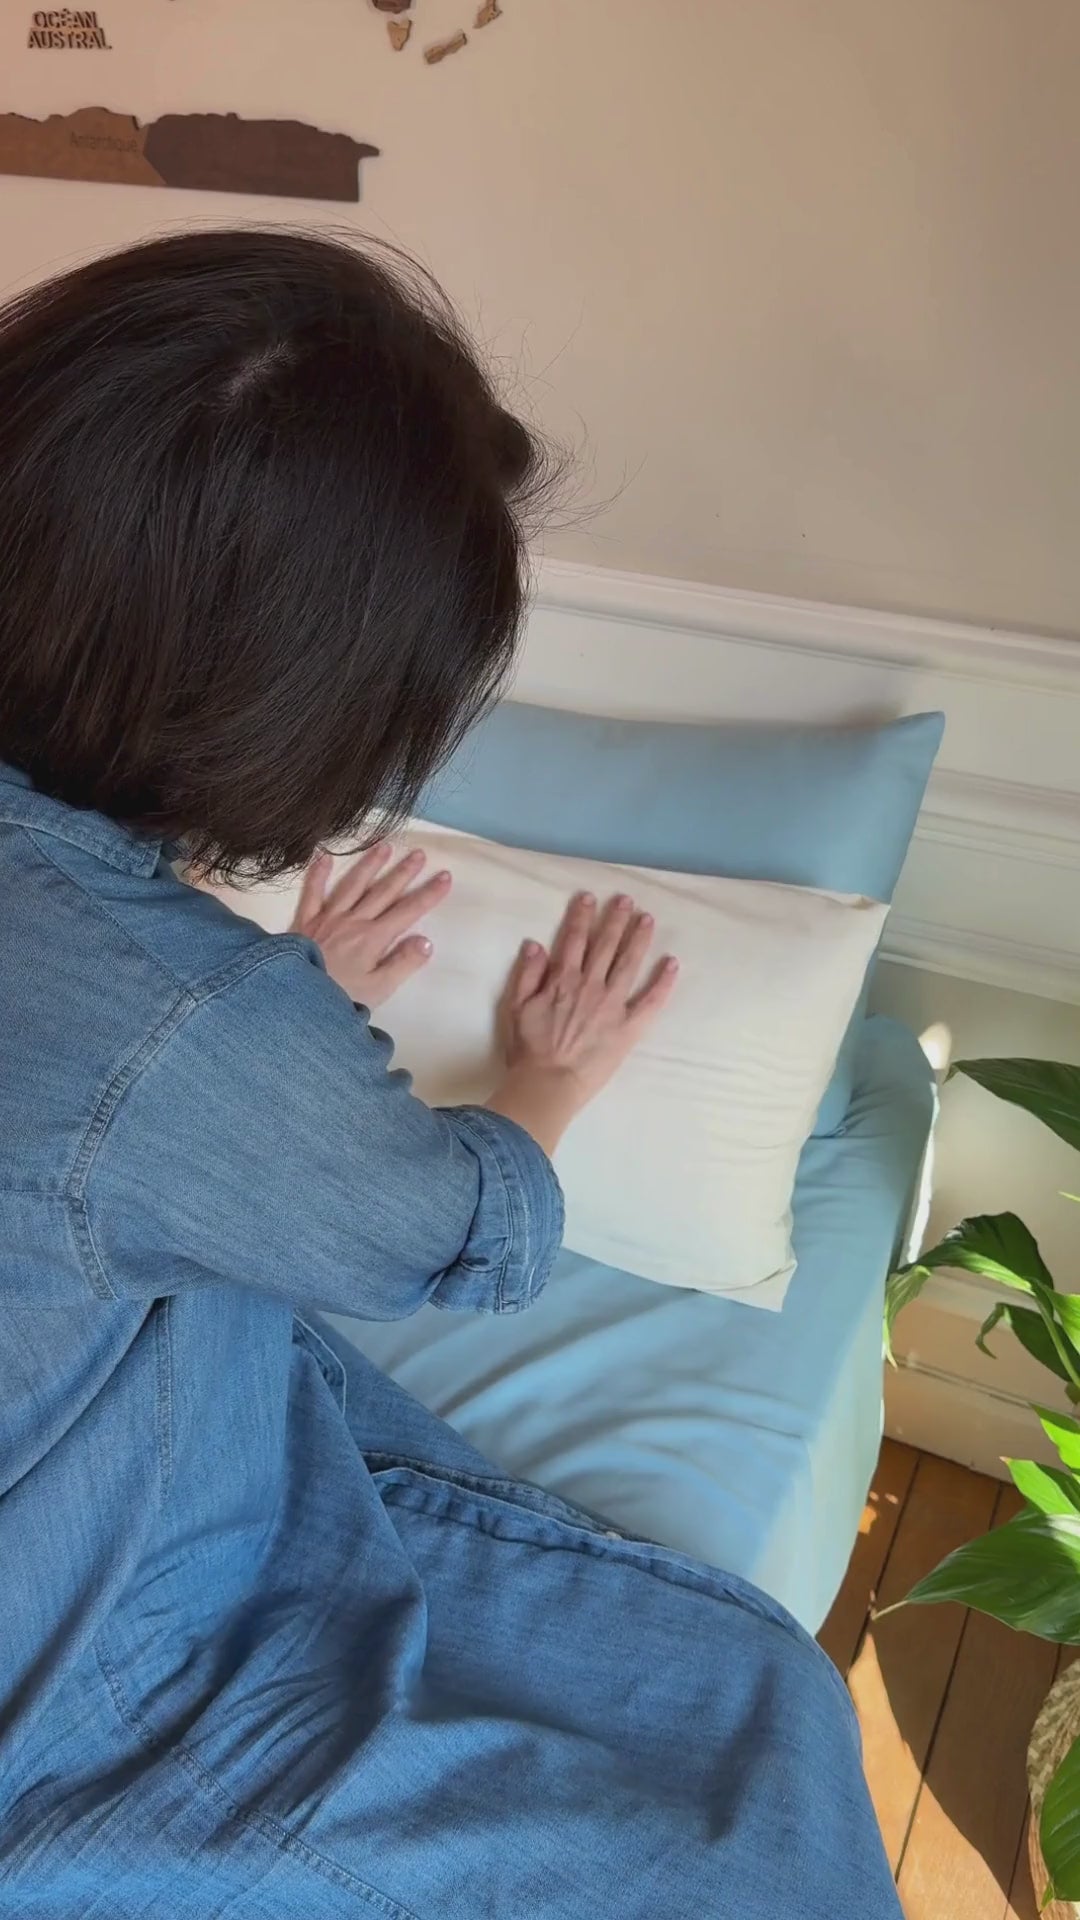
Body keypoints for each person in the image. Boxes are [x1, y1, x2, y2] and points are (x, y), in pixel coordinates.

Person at [0, 230, 901, 1919]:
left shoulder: (174, 1012)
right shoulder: (189, 1029)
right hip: (81, 1702)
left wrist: (227, 992)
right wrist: (544, 1077)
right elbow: (453, 1240)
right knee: (756, 1743)